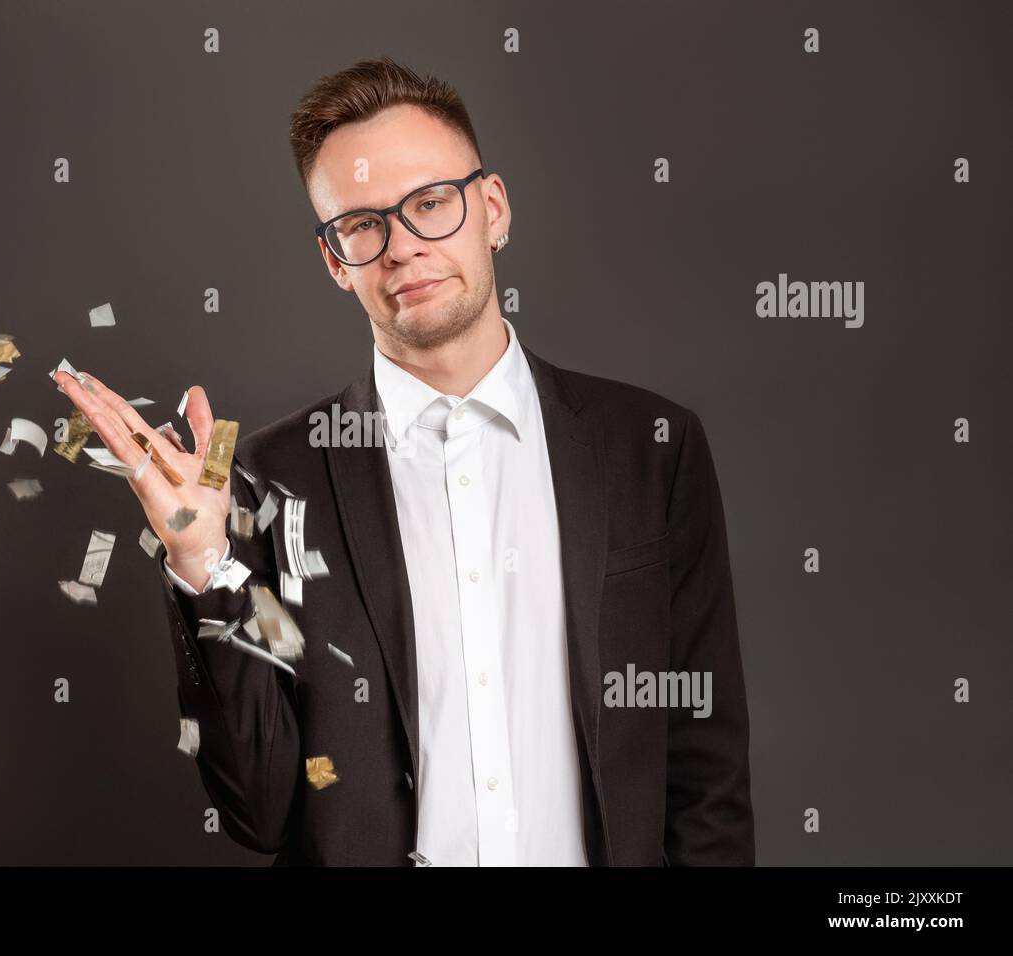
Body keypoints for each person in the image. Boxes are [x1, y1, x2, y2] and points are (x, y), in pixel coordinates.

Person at [53, 57, 753, 866]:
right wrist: (205, 564)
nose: (403, 248)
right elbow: (260, 808)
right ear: (334, 260)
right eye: (362, 225)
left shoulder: (652, 448)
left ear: (492, 209)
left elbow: (708, 774)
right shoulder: (263, 481)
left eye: (430, 204)